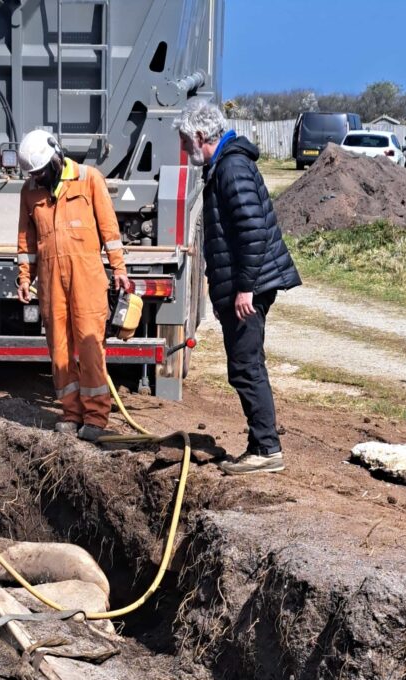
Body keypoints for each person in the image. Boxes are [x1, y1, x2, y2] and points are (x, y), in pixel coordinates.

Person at [175, 99, 301, 474]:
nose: (184, 150)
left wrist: (244, 289)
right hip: (244, 285)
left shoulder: (231, 168)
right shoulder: (225, 165)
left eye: (185, 141)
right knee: (244, 365)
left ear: (200, 136)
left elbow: (252, 232)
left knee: (246, 367)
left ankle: (266, 449)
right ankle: (260, 444)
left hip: (251, 287)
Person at [16, 129, 133, 442]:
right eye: (33, 174)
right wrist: (25, 277)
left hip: (87, 276)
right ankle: (71, 413)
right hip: (52, 280)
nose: (37, 179)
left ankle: (96, 416)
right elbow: (26, 240)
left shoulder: (89, 179)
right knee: (60, 350)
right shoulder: (29, 191)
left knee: (91, 346)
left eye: (40, 172)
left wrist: (119, 267)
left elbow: (109, 228)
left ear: (56, 157)